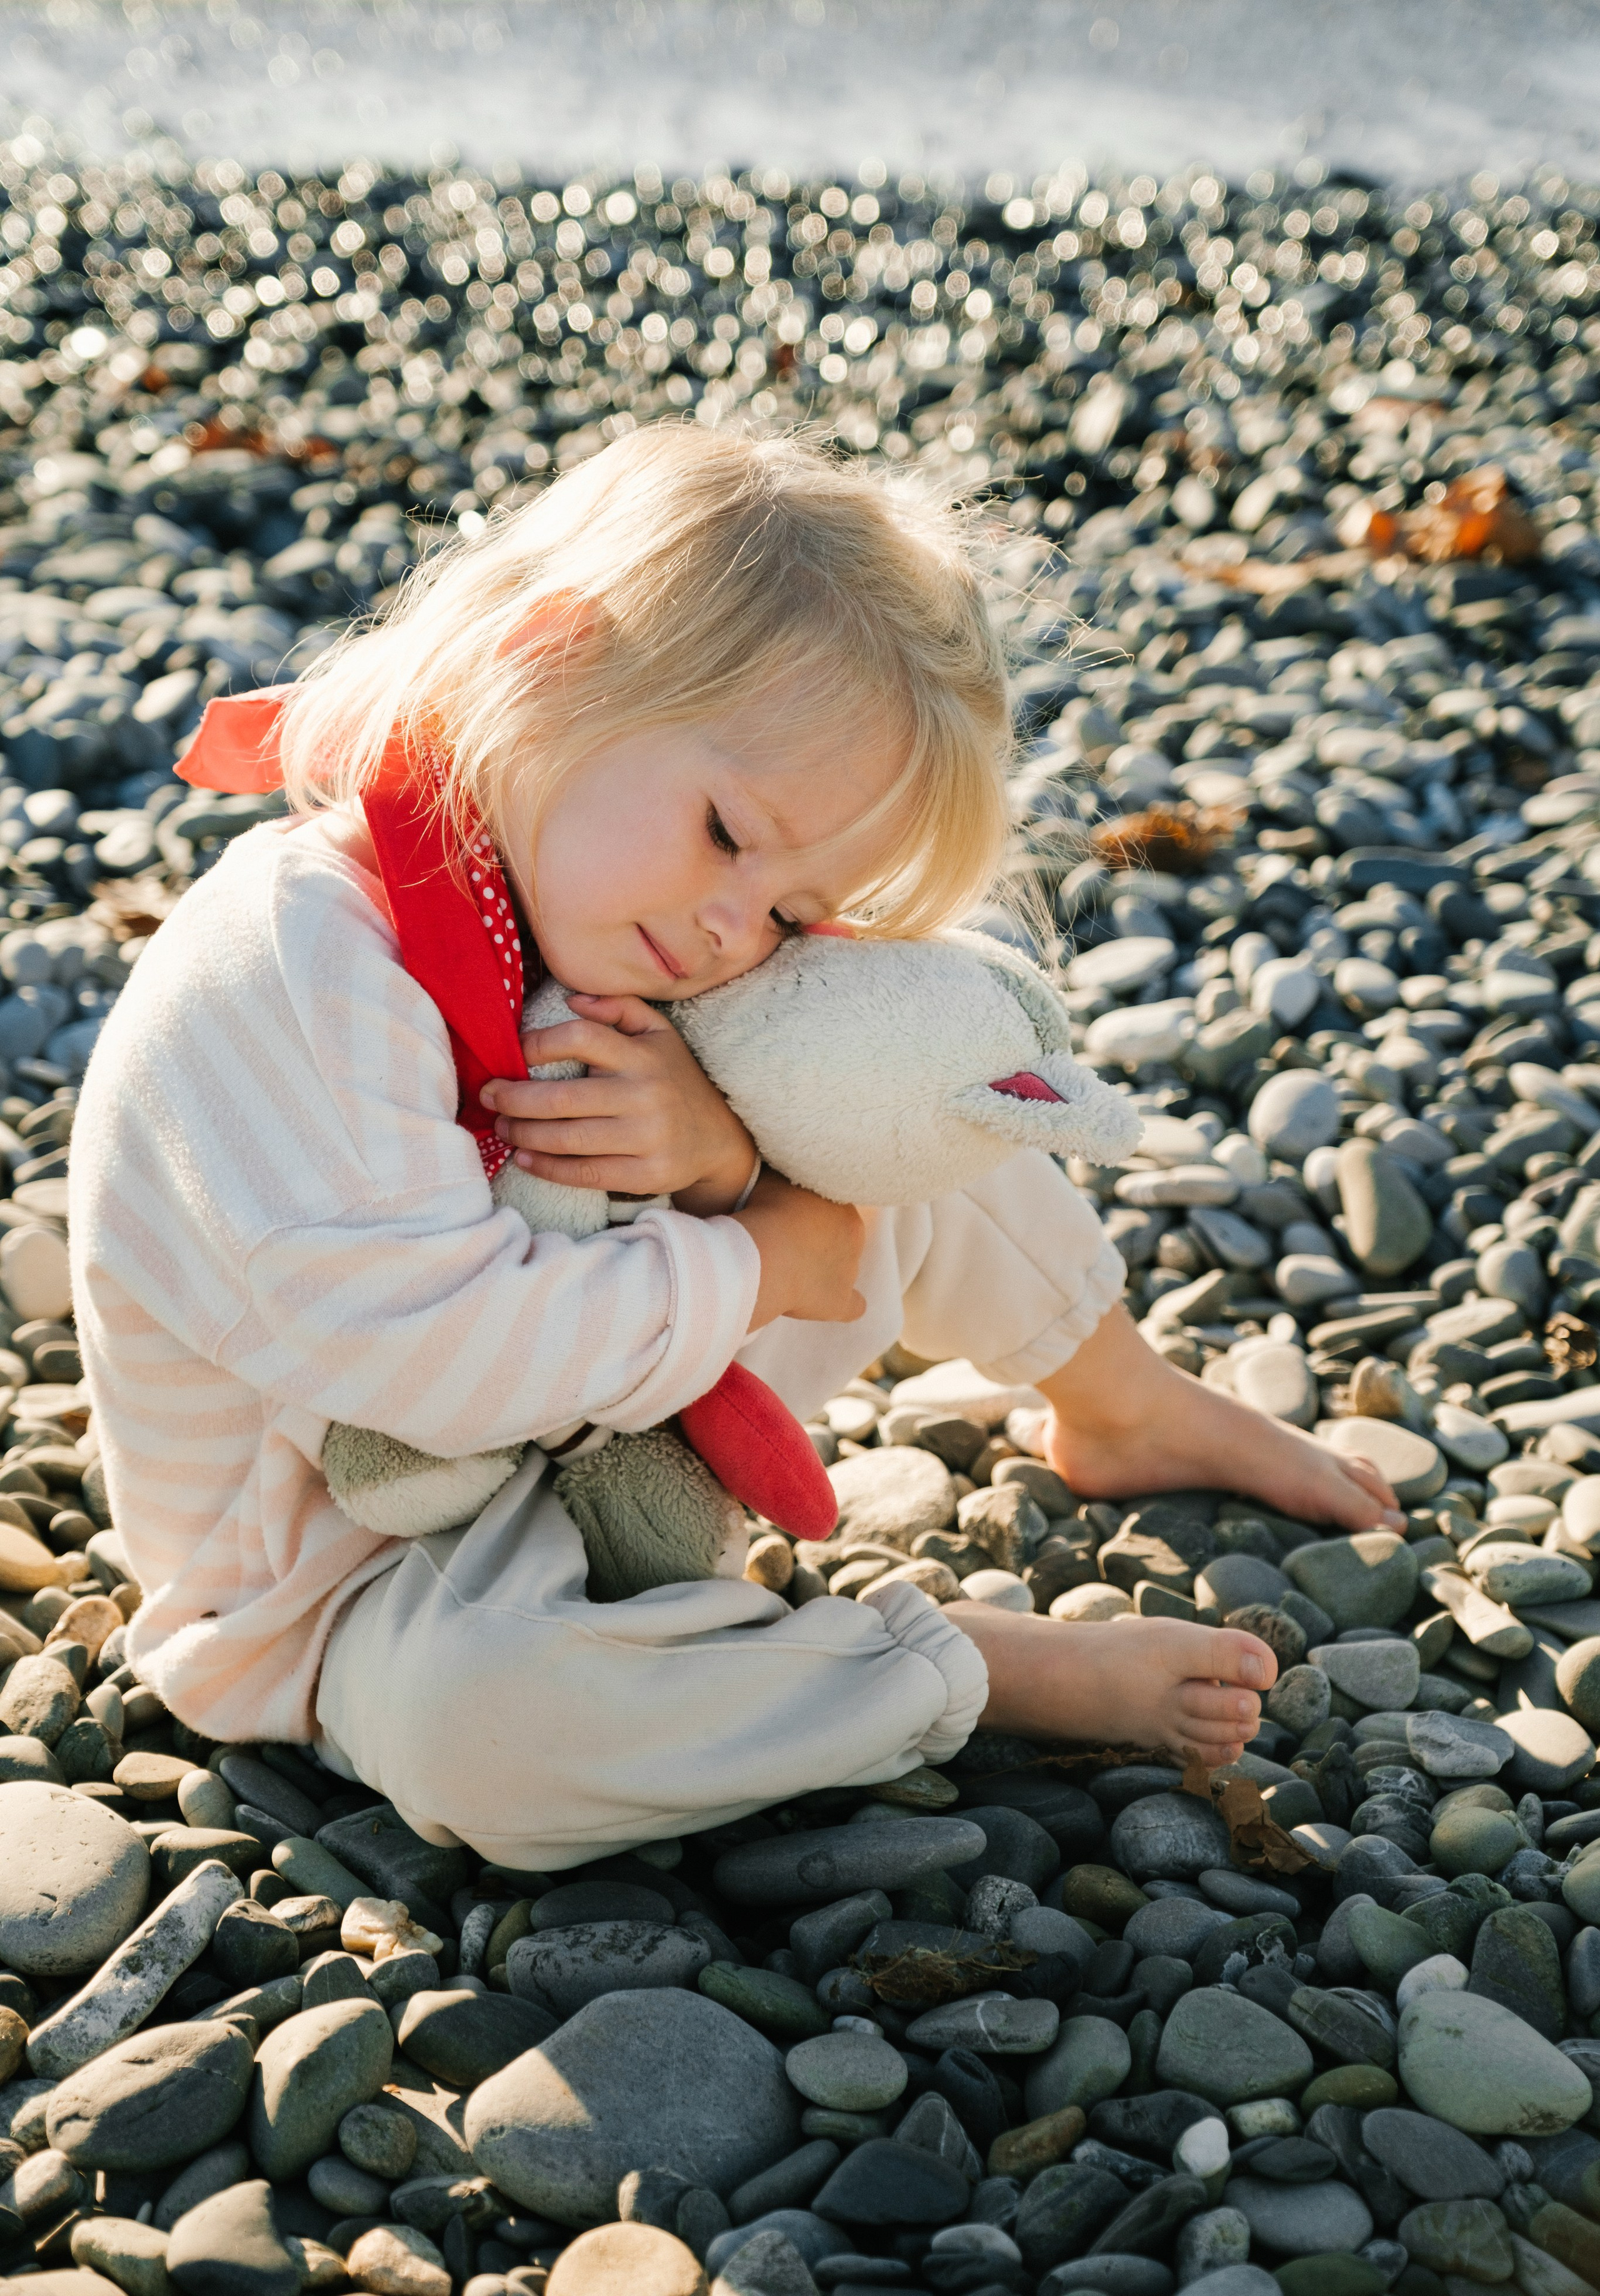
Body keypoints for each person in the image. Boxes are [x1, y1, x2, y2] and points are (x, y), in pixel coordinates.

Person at [71, 426, 1400, 1872]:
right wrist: (762, 1252)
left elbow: (780, 1110)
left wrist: (721, 1153)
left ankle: (1120, 1397)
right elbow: (428, 1371)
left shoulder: (580, 897)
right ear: (546, 663)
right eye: (725, 833)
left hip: (607, 1429)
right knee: (494, 1736)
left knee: (882, 1069)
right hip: (353, 1579)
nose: (730, 926)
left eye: (787, 904)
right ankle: (933, 1670)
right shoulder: (298, 965)